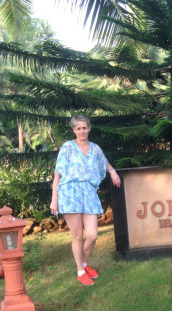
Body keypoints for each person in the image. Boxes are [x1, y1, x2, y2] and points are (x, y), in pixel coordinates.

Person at [50, 115, 121, 285]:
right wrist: (54, 200)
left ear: (89, 129)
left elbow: (104, 163)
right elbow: (58, 174)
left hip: (89, 193)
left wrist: (112, 171)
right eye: (78, 128)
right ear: (74, 130)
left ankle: (83, 263)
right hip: (69, 193)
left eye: (84, 128)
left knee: (92, 235)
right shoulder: (67, 147)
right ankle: (80, 271)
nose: (82, 131)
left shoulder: (95, 149)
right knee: (77, 235)